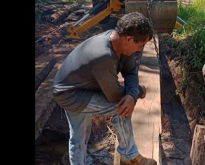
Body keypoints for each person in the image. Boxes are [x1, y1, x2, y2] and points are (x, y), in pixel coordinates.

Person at [51, 12, 157, 165]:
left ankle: (128, 156)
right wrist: (137, 92)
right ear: (129, 39)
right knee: (121, 108)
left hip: (78, 87)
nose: (139, 50)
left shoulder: (119, 43)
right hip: (68, 94)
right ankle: (130, 157)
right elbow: (114, 96)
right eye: (140, 45)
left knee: (79, 137)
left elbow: (131, 72)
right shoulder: (104, 55)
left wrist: (132, 94)